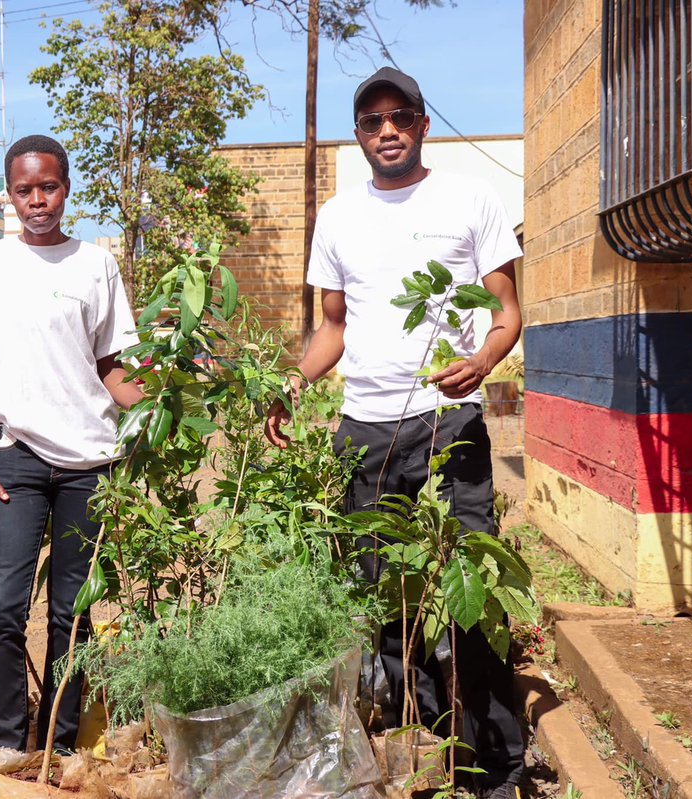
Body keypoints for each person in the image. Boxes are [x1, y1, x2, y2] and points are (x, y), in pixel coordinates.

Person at [264, 67, 525, 799]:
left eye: (399, 116)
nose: (387, 129)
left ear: (422, 123)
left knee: (472, 588)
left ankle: (496, 768)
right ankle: (424, 748)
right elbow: (335, 327)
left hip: (448, 422)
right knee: (384, 598)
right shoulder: (338, 217)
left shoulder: (470, 198)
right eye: (373, 120)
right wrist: (291, 385)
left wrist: (482, 359)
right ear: (359, 134)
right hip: (365, 431)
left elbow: (506, 311)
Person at [0, 134, 143, 754]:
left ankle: (58, 744)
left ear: (65, 188)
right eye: (25, 190)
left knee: (72, 614)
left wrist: (168, 406)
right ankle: (9, 745)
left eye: (49, 187)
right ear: (9, 195)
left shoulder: (96, 264)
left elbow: (111, 365)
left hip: (91, 461)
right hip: (16, 458)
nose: (38, 200)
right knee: (2, 609)